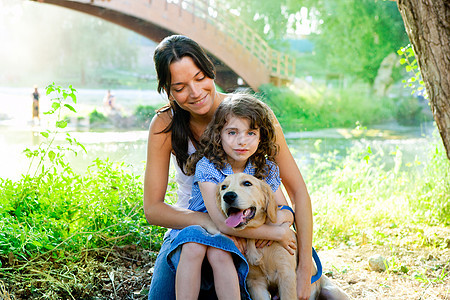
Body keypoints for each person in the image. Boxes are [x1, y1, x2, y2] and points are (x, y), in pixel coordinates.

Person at [144, 35, 314, 299]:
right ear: (168, 90)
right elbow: (153, 210)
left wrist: (304, 269)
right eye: (180, 87)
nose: (195, 92)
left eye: (200, 78)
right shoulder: (164, 124)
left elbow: (297, 194)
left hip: (250, 225)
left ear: (211, 70)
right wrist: (216, 223)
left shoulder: (251, 115)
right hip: (191, 227)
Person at [166, 94, 295, 299]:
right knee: (194, 246)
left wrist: (283, 219)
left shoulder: (264, 168)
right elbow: (222, 223)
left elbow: (284, 209)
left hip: (235, 233)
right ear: (219, 135)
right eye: (232, 132)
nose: (241, 141)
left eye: (251, 133)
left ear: (261, 136)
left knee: (220, 253)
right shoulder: (208, 166)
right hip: (207, 225)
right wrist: (275, 233)